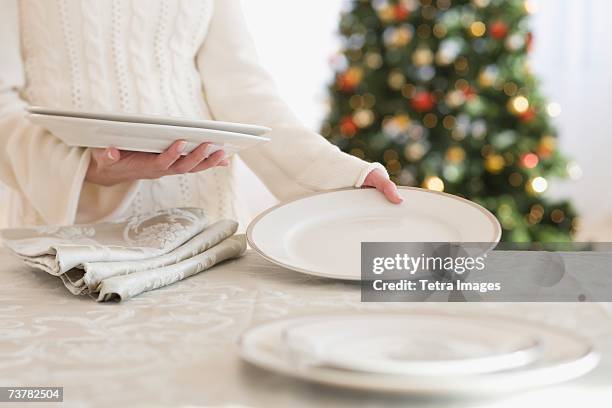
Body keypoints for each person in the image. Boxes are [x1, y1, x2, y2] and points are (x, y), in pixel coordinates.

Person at [0, 0, 401, 229]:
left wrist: (341, 175)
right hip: (64, 226)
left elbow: (243, 91)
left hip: (200, 224)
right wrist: (83, 168)